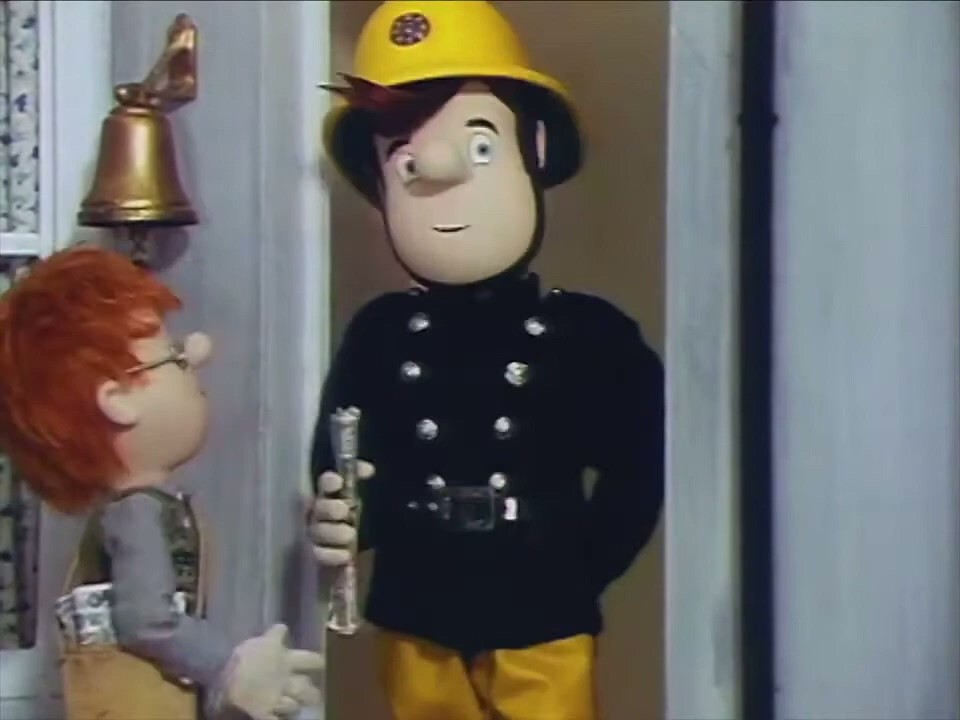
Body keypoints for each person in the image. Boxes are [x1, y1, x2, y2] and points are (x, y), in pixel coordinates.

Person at [307, 2, 665, 718]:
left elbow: (639, 473)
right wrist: (343, 518)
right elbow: (341, 458)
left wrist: (574, 569)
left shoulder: (586, 335)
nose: (436, 178)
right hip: (416, 607)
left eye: (479, 147)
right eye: (404, 161)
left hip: (540, 612)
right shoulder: (382, 333)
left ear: (535, 148)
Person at [0, 245, 324, 720]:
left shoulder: (140, 507)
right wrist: (229, 666)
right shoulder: (136, 512)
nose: (197, 352)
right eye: (173, 355)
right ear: (117, 401)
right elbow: (146, 620)